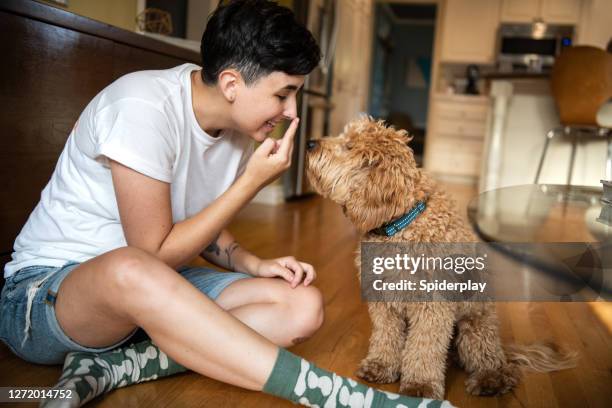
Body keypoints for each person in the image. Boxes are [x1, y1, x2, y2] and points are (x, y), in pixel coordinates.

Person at [0, 1, 450, 407]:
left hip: (151, 290)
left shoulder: (236, 131)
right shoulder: (142, 107)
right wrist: (250, 184)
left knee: (301, 306)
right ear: (232, 83)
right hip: (46, 296)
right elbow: (151, 255)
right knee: (130, 268)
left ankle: (120, 364)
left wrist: (251, 262)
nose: (292, 111)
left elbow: (199, 225)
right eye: (282, 93)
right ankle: (337, 397)